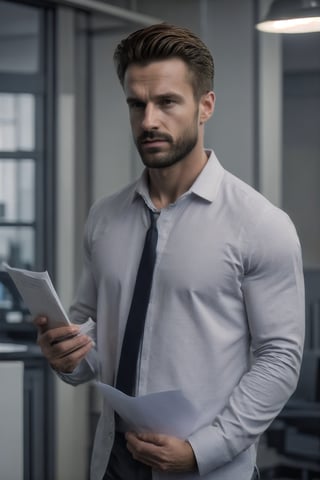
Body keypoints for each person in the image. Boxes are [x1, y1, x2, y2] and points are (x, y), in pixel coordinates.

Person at [35, 23, 305, 480]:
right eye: (136, 104)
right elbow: (90, 331)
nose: (148, 121)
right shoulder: (105, 217)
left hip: (208, 469)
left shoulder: (260, 224)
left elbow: (279, 359)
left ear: (205, 106)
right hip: (113, 466)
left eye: (166, 102)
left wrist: (203, 450)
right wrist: (68, 356)